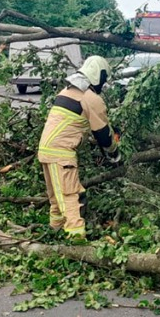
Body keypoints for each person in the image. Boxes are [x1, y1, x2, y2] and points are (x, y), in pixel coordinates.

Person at [38, 55, 120, 239]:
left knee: (56, 201)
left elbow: (75, 126)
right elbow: (103, 134)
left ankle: (54, 235)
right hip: (61, 155)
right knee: (73, 197)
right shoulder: (91, 98)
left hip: (46, 152)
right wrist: (115, 155)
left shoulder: (66, 92)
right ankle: (76, 243)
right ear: (98, 75)